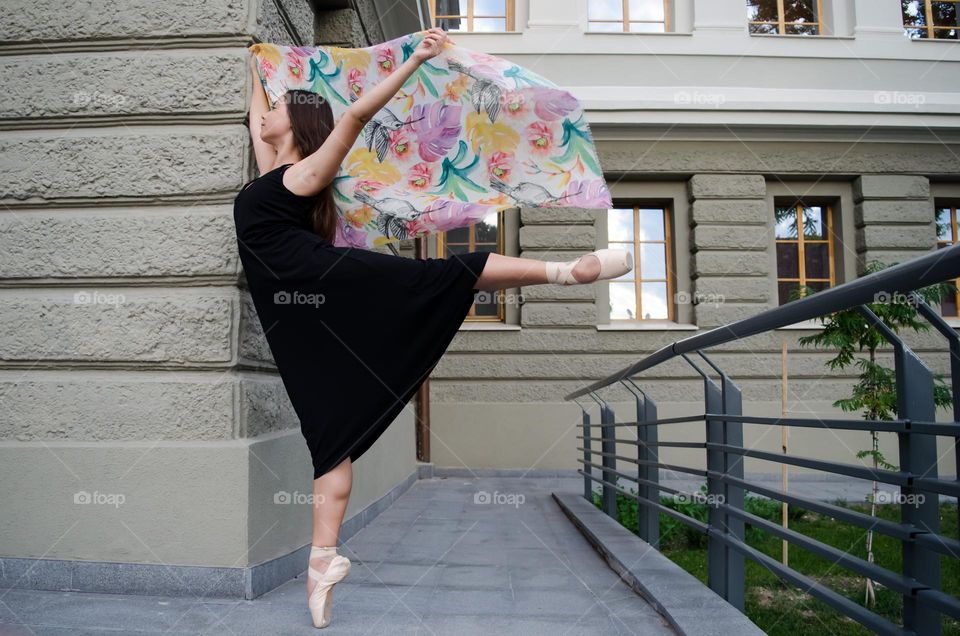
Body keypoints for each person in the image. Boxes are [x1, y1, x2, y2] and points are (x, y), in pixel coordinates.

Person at [233, 27, 632, 628]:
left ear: (294, 124)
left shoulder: (306, 175)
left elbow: (360, 113)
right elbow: (255, 112)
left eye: (278, 109)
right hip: (298, 316)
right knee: (330, 432)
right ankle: (322, 564)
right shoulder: (274, 173)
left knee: (441, 276)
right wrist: (257, 59)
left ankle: (564, 272)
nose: (266, 116)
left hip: (323, 284)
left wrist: (416, 59)